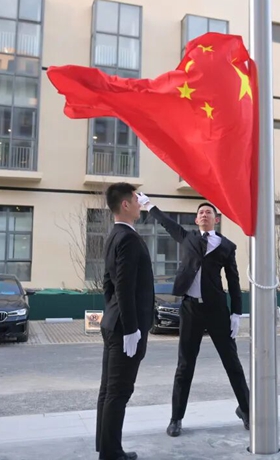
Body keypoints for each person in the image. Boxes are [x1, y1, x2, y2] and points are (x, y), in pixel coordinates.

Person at [136, 192, 250, 437]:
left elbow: (233, 281)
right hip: (190, 309)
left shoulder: (227, 246)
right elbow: (167, 223)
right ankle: (176, 418)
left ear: (216, 219)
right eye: (200, 213)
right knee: (185, 365)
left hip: (217, 310)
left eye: (209, 212)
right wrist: (149, 205)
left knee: (232, 362)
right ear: (197, 220)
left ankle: (247, 410)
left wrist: (236, 313)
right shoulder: (187, 238)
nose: (204, 214)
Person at [95, 183, 155, 460]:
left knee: (108, 390)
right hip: (124, 328)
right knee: (119, 392)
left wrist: (113, 312)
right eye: (136, 199)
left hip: (113, 322)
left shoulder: (114, 235)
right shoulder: (128, 238)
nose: (140, 203)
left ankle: (106, 447)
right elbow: (123, 285)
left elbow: (108, 284)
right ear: (126, 205)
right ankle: (111, 453)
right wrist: (131, 328)